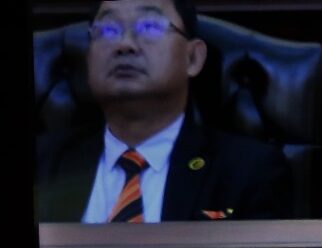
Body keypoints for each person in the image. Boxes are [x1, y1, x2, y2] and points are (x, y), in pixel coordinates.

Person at [35, 0, 294, 223]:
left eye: (149, 27)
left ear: (193, 58)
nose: (124, 44)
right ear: (89, 58)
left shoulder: (249, 171)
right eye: (108, 30)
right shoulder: (41, 164)